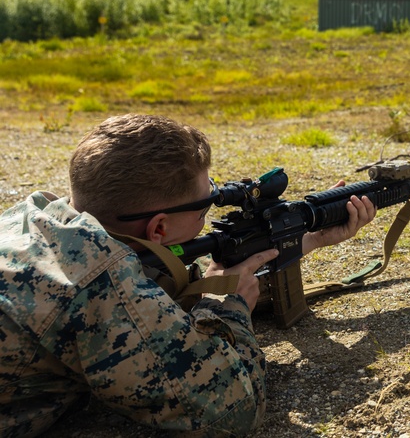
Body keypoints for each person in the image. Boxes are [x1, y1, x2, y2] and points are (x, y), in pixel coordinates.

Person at [0, 114, 376, 437]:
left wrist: (298, 242)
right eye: (205, 204)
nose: (211, 208)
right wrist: (226, 307)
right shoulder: (100, 286)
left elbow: (148, 284)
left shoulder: (35, 215)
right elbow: (231, 411)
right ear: (159, 229)